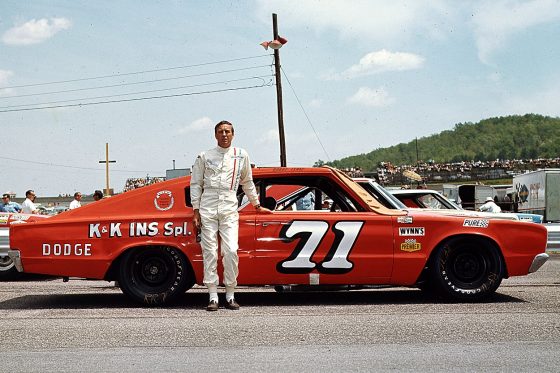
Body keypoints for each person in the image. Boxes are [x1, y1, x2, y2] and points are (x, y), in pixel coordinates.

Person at [190, 120, 270, 311]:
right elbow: (196, 184)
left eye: (227, 131)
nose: (224, 134)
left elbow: (247, 182)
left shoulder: (241, 155)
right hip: (207, 206)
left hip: (229, 206)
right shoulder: (204, 156)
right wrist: (195, 211)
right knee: (209, 252)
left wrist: (257, 205)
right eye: (220, 131)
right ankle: (212, 296)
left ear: (233, 134)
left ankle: (230, 294)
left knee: (231, 250)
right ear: (215, 135)